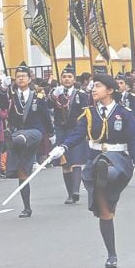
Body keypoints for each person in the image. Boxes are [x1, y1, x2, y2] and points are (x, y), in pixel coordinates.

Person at [46, 73, 135, 268]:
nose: (94, 89)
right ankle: (111, 254)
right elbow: (77, 134)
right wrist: (63, 147)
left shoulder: (123, 113)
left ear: (109, 90)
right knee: (104, 212)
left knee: (108, 170)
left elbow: (134, 139)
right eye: (93, 86)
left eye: (98, 86)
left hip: (118, 160)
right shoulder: (90, 113)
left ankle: (106, 172)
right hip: (95, 160)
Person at [4, 64, 52, 218]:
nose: (21, 79)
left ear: (29, 79)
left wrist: (51, 133)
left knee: (28, 135)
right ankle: (27, 207)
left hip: (34, 133)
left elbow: (45, 116)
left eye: (23, 76)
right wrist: (3, 88)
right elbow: (1, 105)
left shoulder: (37, 97)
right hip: (17, 132)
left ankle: (20, 139)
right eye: (18, 77)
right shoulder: (11, 97)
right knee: (22, 171)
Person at [50, 65, 90, 205]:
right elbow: (47, 107)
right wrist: (53, 96)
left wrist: (86, 130)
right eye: (64, 77)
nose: (66, 79)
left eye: (69, 77)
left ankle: (76, 190)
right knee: (65, 163)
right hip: (61, 129)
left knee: (76, 160)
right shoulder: (56, 93)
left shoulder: (81, 94)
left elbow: (86, 113)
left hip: (76, 129)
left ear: (74, 79)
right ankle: (70, 194)